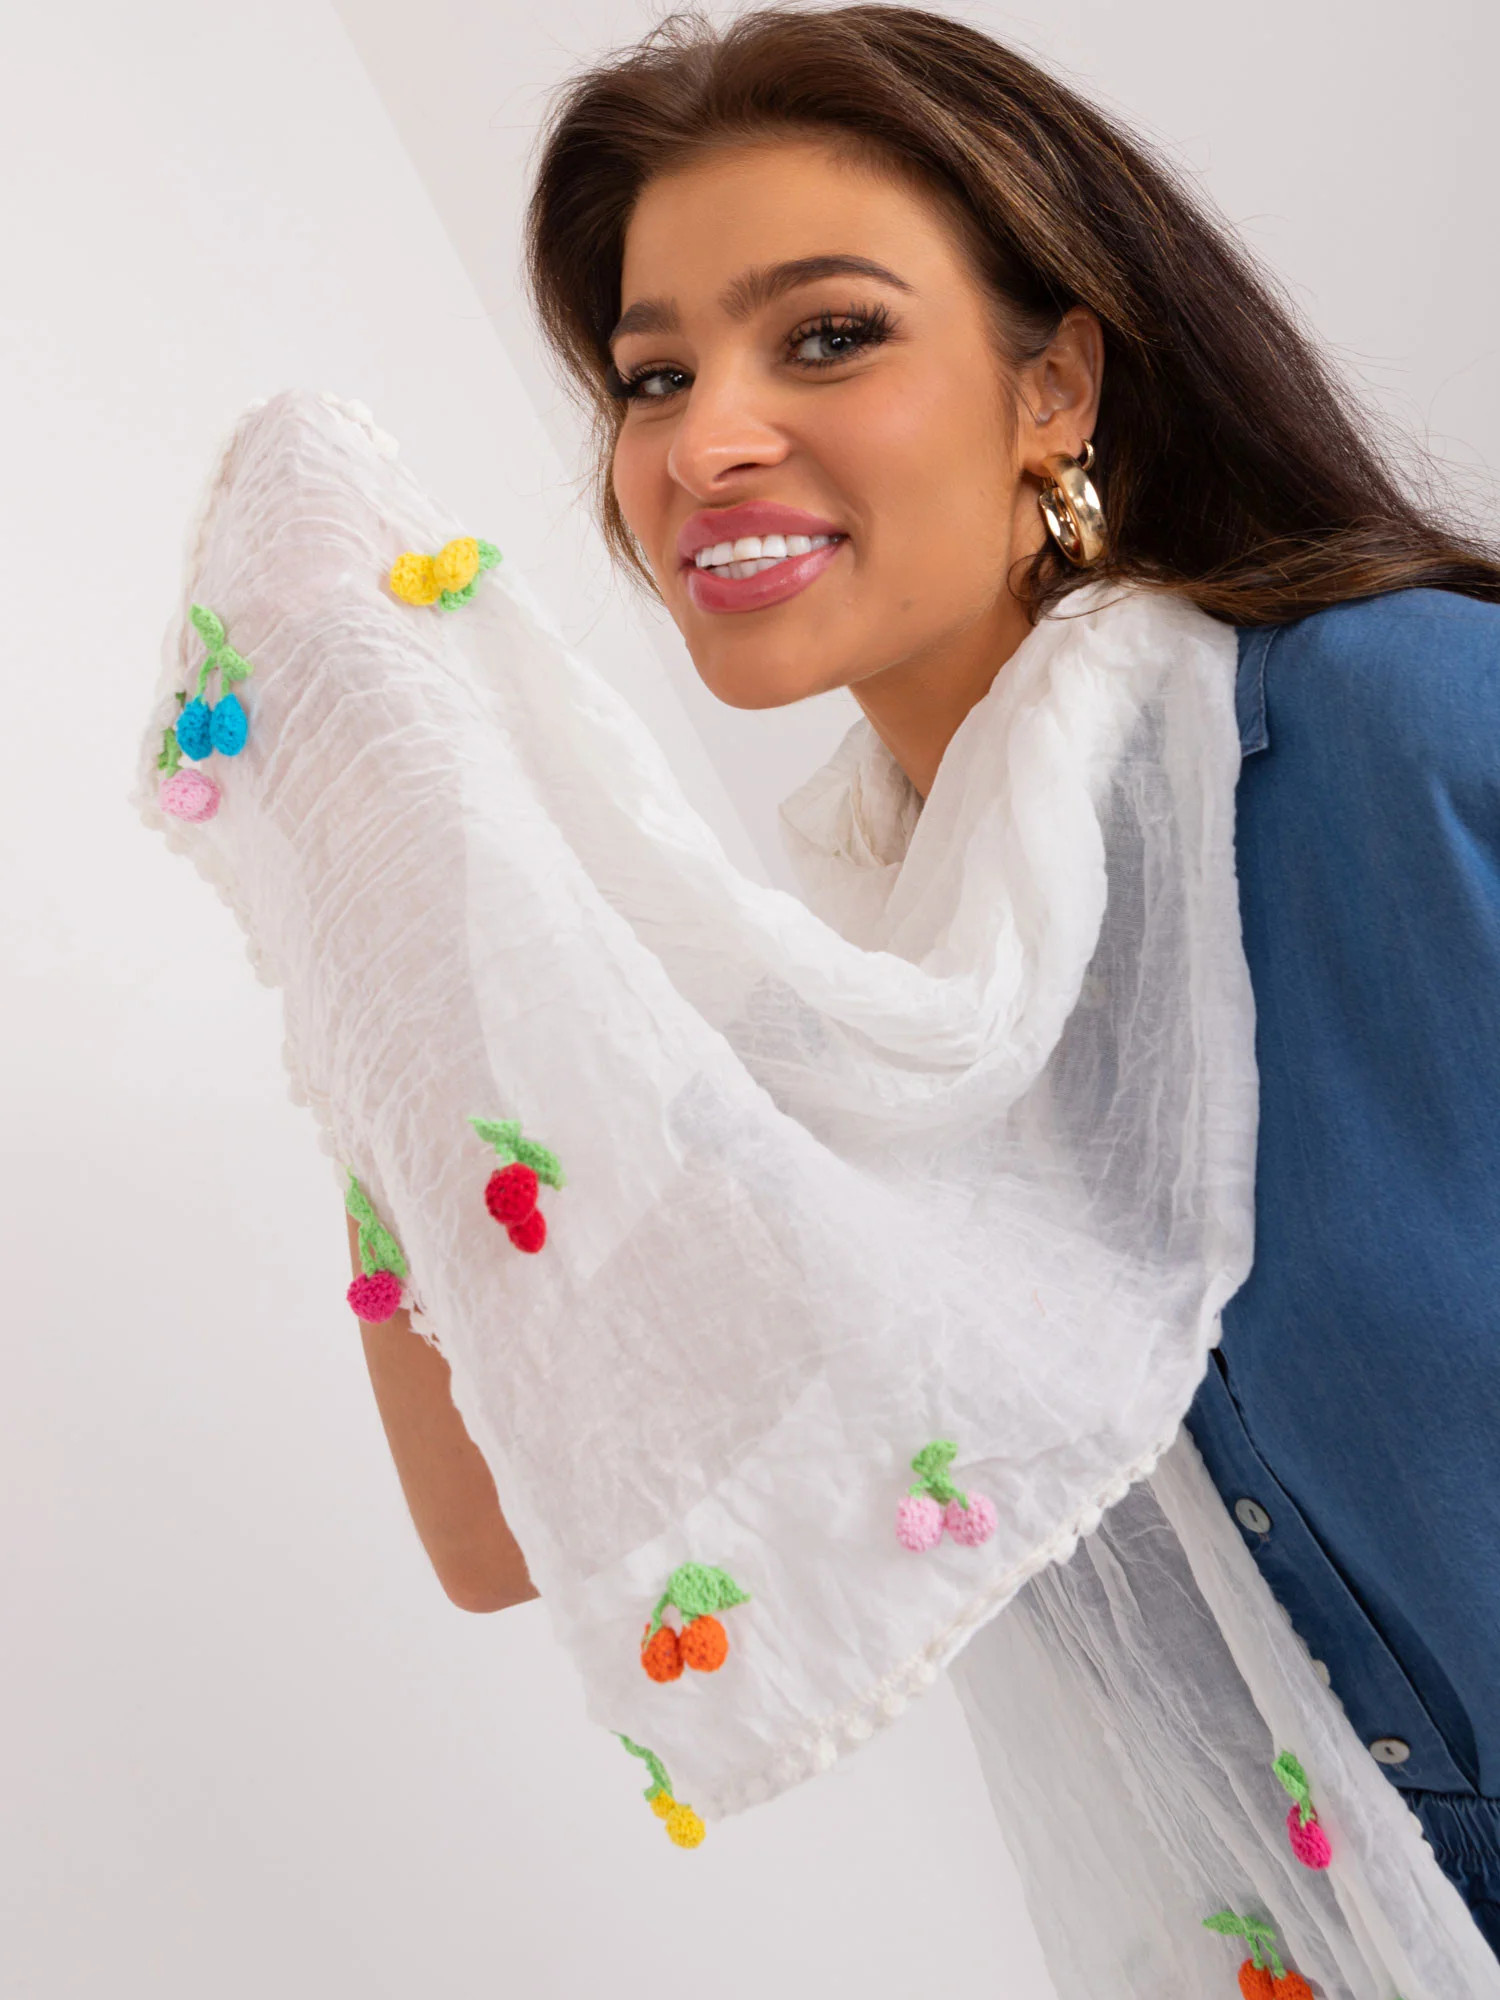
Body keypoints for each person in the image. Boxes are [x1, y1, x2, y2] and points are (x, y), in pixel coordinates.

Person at [347, 1, 1500, 1948]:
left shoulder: (1413, 731)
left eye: (827, 335)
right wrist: (396, 908)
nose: (705, 440)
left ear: (1054, 387)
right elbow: (507, 1522)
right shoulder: (838, 1025)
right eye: (651, 376)